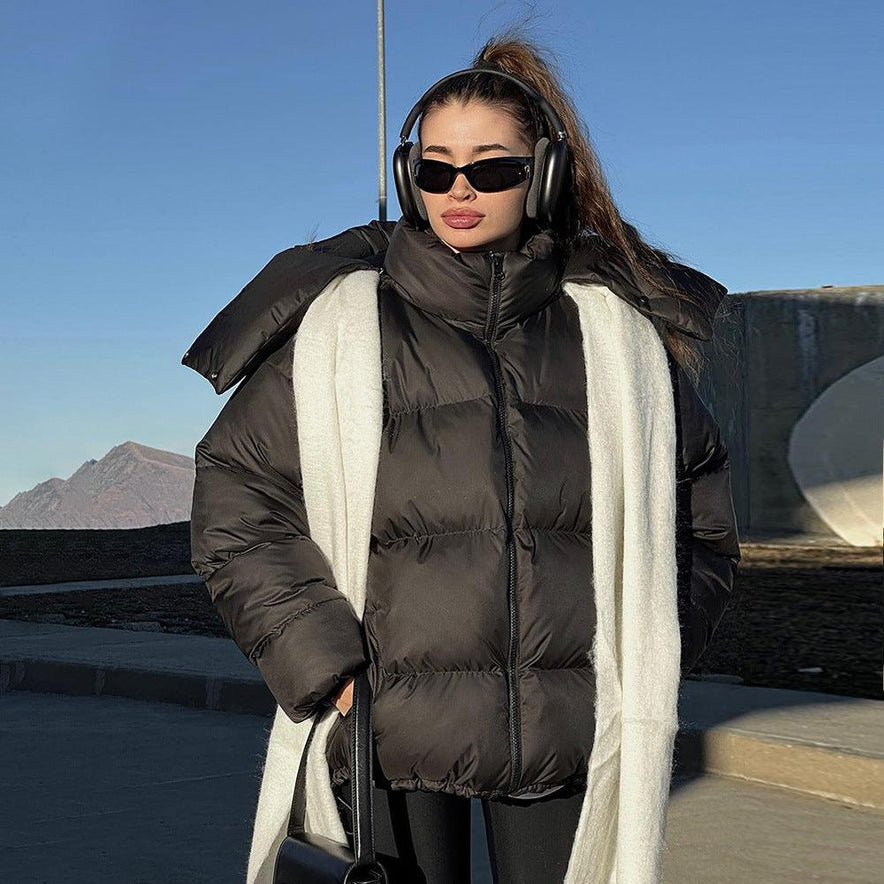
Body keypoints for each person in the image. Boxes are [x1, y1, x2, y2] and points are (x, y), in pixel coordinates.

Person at [182, 32, 740, 884]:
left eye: (493, 168)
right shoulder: (344, 331)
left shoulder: (613, 338)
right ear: (411, 178)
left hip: (570, 728)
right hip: (385, 727)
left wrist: (654, 646)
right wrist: (323, 661)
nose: (460, 191)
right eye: (436, 170)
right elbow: (238, 497)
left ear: (543, 176)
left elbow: (698, 508)